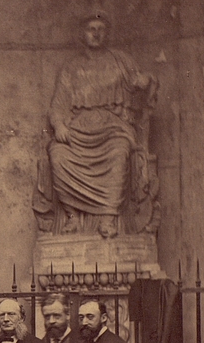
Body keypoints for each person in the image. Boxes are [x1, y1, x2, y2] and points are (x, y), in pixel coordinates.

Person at [33, 12, 158, 239]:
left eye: (101, 29)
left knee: (119, 152)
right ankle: (72, 216)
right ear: (82, 34)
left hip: (113, 130)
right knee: (58, 155)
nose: (96, 33)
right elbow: (57, 105)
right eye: (91, 29)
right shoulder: (71, 68)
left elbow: (141, 82)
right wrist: (59, 126)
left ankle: (108, 217)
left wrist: (146, 81)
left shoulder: (121, 61)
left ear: (107, 33)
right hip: (79, 131)